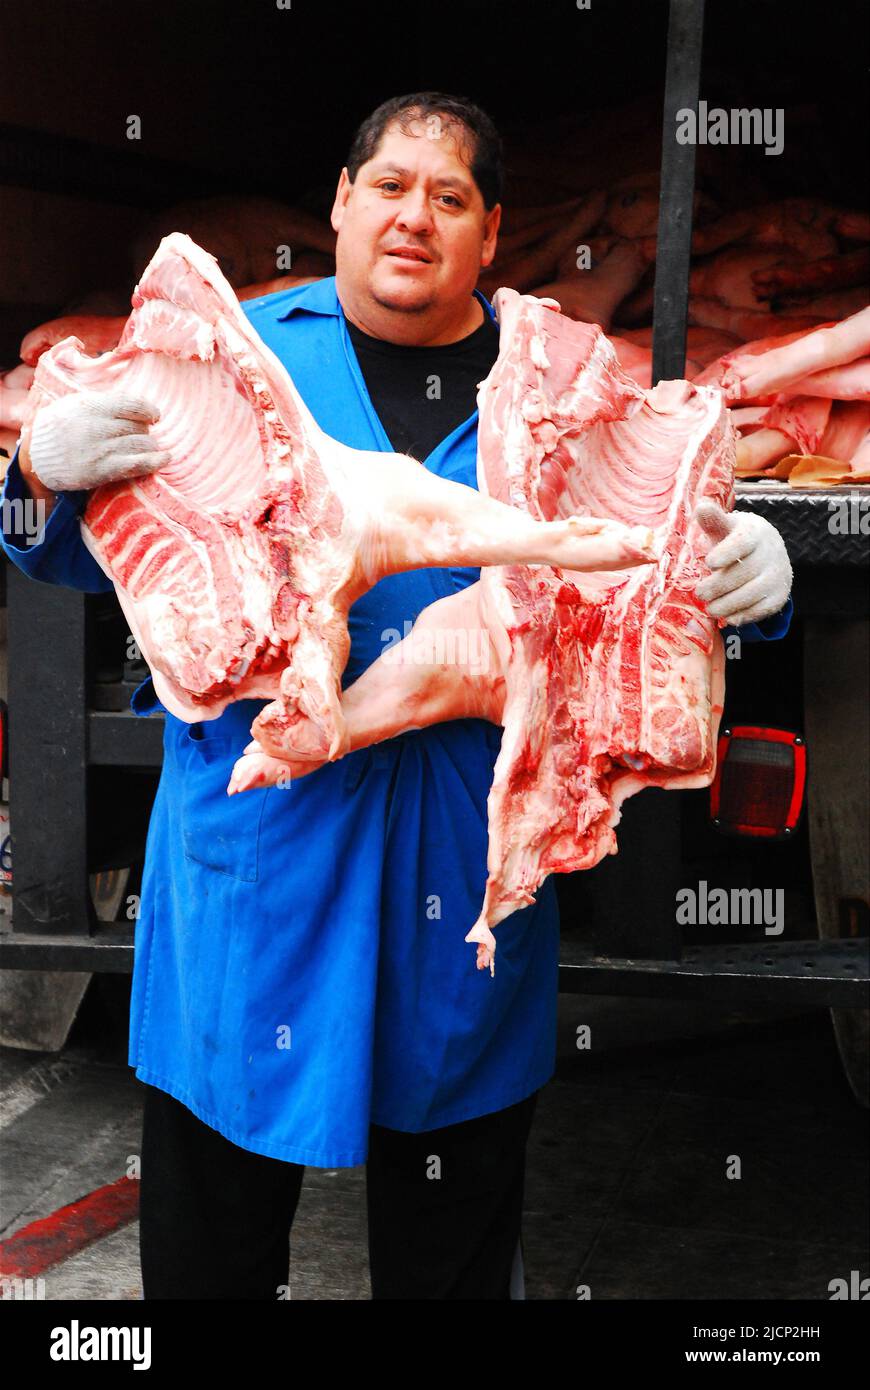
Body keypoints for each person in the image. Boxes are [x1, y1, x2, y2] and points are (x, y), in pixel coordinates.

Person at [0, 92, 793, 1301]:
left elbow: (667, 548)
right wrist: (30, 477)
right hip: (262, 859)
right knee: (213, 1247)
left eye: (450, 196)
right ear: (340, 203)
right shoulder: (235, 358)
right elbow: (49, 549)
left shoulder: (559, 380)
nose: (413, 216)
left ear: (490, 233)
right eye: (389, 186)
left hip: (462, 872)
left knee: (454, 1249)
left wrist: (764, 584)